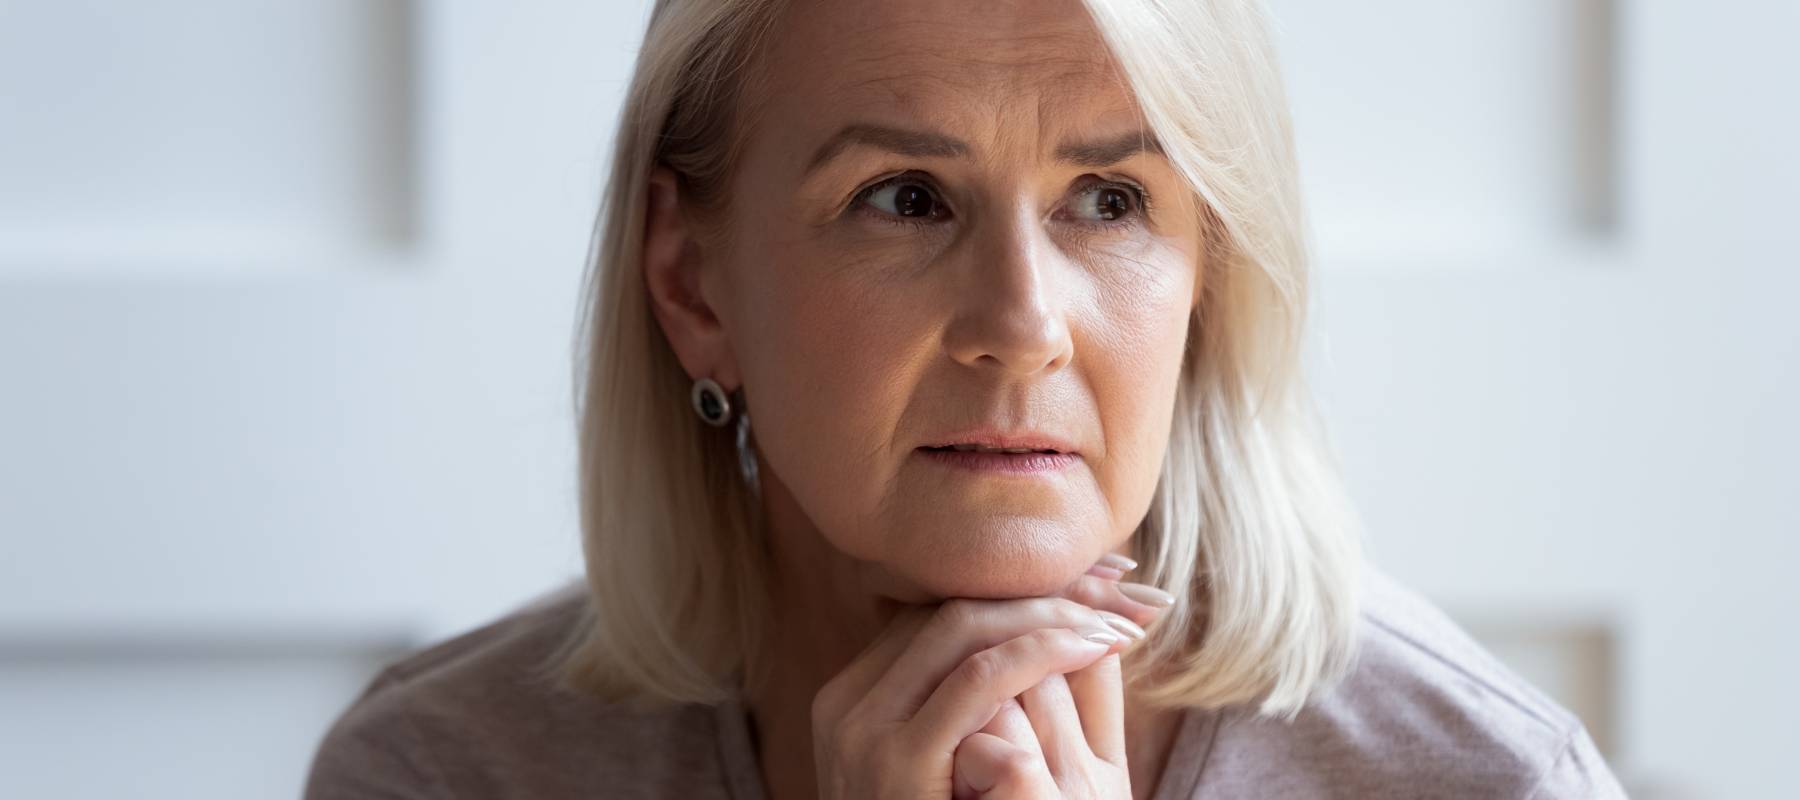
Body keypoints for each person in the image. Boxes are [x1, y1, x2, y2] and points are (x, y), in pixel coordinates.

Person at [305, 0, 1630, 797]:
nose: (1021, 326)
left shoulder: (1484, 782)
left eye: (1110, 202)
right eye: (904, 198)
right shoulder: (450, 773)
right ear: (692, 282)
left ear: (1208, 276)